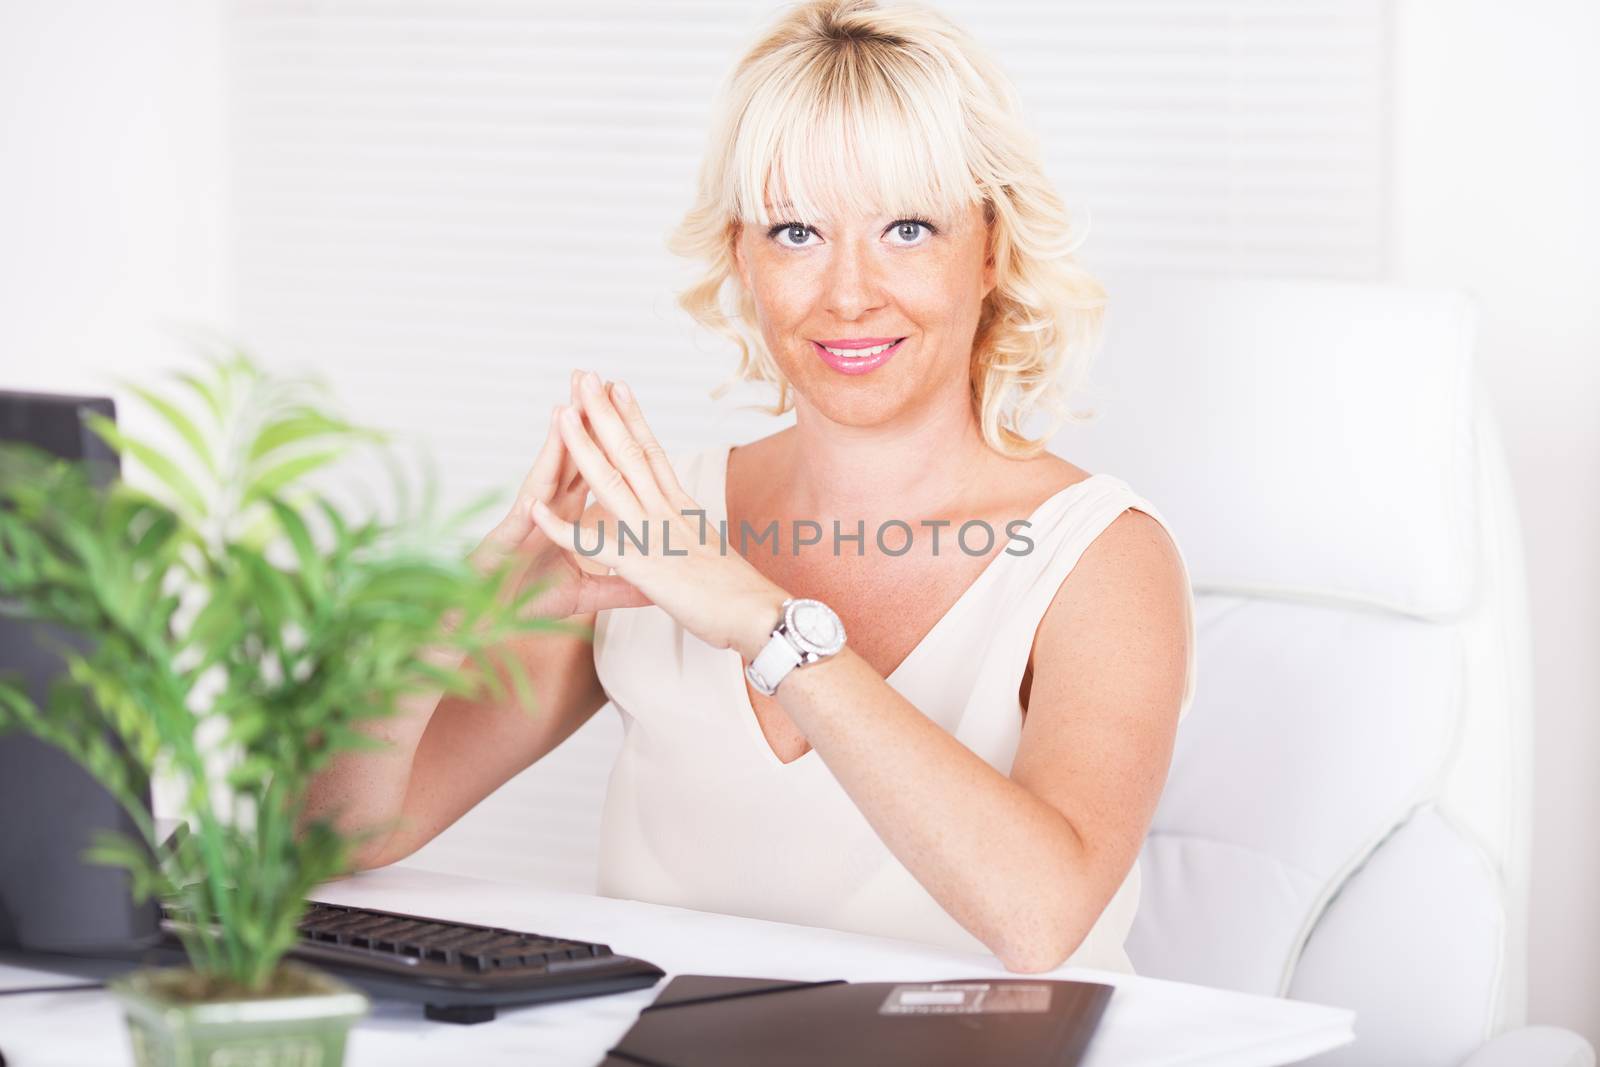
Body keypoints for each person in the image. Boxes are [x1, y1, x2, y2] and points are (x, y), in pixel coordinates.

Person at [302, 0, 1196, 975]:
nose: (849, 292)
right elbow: (334, 838)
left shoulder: (1098, 554)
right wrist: (450, 620)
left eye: (906, 227)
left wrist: (765, 625)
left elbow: (1042, 914)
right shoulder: (655, 524)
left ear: (989, 246)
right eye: (795, 231)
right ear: (741, 255)